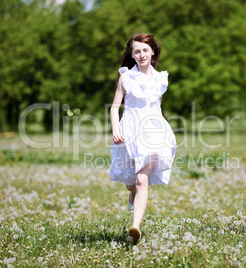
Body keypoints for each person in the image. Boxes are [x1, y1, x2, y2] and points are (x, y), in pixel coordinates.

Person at [109, 33, 177, 245]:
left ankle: (135, 227)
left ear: (153, 52)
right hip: (128, 131)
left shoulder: (160, 78)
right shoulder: (125, 77)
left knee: (142, 179)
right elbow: (114, 108)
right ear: (132, 54)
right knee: (131, 183)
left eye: (145, 50)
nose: (141, 54)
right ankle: (131, 195)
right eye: (137, 51)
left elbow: (156, 107)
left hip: (154, 133)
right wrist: (115, 129)